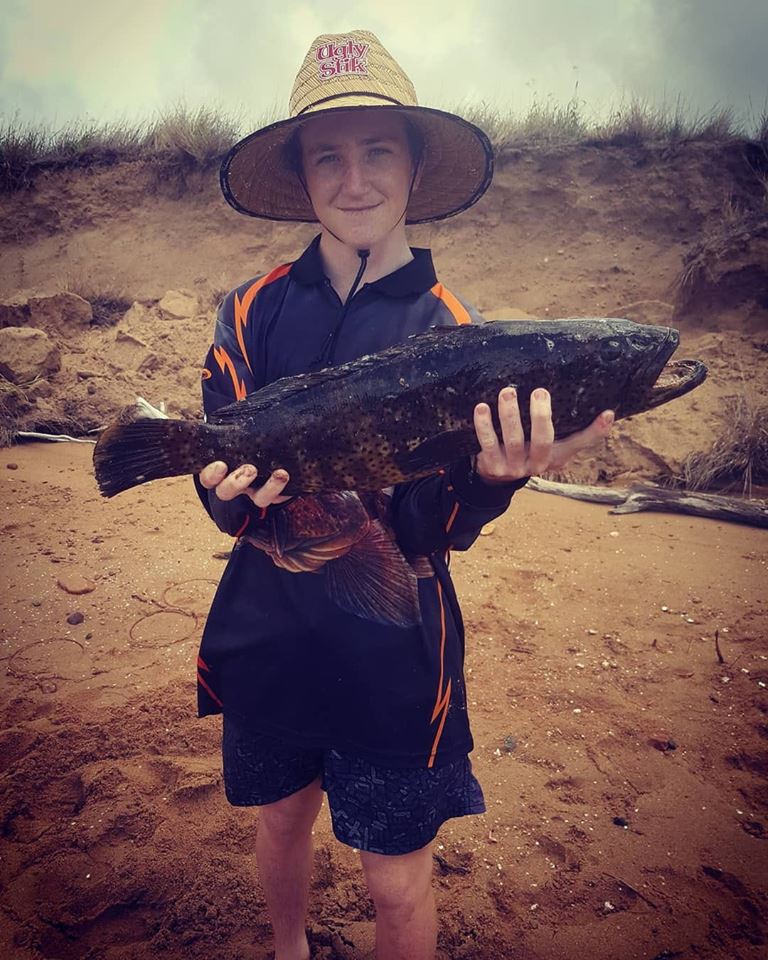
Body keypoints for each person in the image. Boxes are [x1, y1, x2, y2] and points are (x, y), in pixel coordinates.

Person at [194, 30, 613, 960]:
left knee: (396, 879)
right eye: (327, 157)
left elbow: (434, 528)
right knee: (280, 821)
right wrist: (225, 492)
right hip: (266, 632)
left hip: (393, 652)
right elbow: (218, 478)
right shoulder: (249, 311)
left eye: (378, 150)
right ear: (301, 175)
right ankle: (290, 949)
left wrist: (496, 480)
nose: (355, 181)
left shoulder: (458, 332)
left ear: (416, 167)